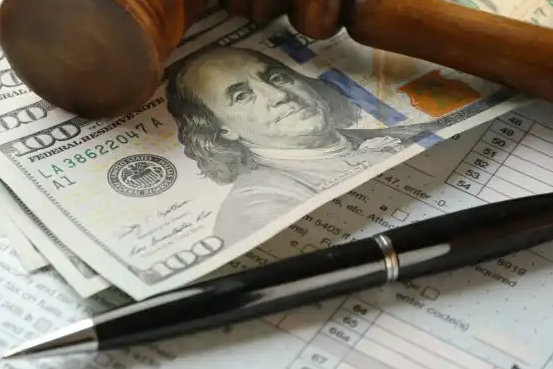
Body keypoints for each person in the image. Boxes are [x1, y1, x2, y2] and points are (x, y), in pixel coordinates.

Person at [164, 46, 430, 240]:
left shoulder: (404, 136)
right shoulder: (259, 206)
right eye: (243, 96)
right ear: (222, 129)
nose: (279, 94)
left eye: (277, 78)